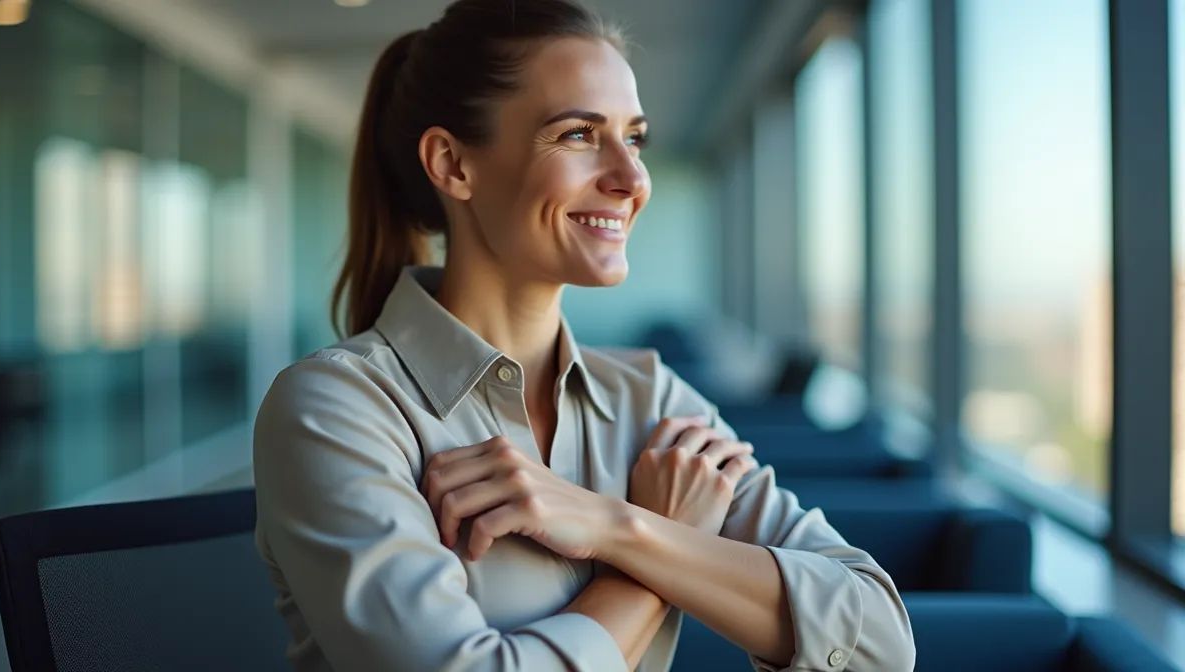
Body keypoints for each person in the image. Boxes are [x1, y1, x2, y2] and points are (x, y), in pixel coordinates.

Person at [252, 1, 915, 670]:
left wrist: (615, 527)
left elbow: (881, 645)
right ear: (454, 164)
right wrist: (655, 558)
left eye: (635, 138)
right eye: (577, 134)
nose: (632, 180)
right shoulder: (336, 410)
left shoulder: (651, 399)